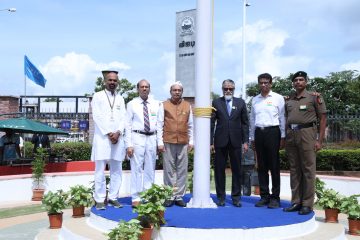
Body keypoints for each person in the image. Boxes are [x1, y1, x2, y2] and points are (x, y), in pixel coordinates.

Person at [283, 71, 327, 215]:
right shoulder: (289, 99)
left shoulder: (314, 97)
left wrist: (319, 140)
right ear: (293, 83)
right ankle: (296, 202)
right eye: (295, 80)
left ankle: (307, 204)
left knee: (308, 170)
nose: (298, 82)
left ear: (306, 82)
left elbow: (322, 119)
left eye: (301, 80)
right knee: (294, 170)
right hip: (291, 135)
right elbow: (285, 119)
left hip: (307, 134)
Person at [91, 70, 126, 210]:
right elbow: (97, 116)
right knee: (100, 169)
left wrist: (118, 132)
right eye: (110, 80)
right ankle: (99, 199)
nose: (112, 82)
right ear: (104, 81)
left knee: (117, 169)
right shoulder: (98, 96)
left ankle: (113, 197)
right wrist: (109, 133)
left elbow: (124, 118)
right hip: (102, 138)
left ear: (117, 82)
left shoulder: (121, 98)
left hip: (117, 139)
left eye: (115, 80)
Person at [210, 79, 249, 207]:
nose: (228, 91)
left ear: (234, 89)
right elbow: (211, 124)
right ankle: (221, 197)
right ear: (222, 89)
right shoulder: (216, 102)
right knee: (219, 170)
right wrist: (210, 142)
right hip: (220, 141)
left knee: (237, 170)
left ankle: (236, 197)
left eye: (230, 89)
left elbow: (245, 124)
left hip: (236, 141)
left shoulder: (241, 103)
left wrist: (245, 141)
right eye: (225, 88)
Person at [250, 73, 285, 209]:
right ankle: (264, 196)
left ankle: (275, 198)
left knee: (274, 166)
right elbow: (252, 119)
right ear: (258, 84)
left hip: (273, 132)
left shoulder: (278, 98)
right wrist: (252, 137)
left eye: (266, 82)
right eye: (261, 83)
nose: (263, 85)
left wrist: (283, 136)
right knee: (262, 166)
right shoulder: (254, 100)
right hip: (259, 132)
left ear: (270, 84)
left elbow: (282, 117)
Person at [157, 81, 193, 207]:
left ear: (182, 92)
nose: (177, 92)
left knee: (182, 170)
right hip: (168, 141)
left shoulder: (187, 105)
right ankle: (169, 195)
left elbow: (191, 125)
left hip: (183, 142)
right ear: (170, 92)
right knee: (169, 170)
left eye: (179, 90)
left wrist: (191, 141)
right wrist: (159, 142)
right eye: (174, 90)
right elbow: (159, 124)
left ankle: (179, 196)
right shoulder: (164, 105)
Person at [125, 79, 160, 207]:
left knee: (150, 168)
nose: (144, 89)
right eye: (142, 87)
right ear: (138, 89)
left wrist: (159, 142)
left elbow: (159, 124)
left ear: (149, 89)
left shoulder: (156, 104)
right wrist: (128, 144)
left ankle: (148, 195)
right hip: (137, 137)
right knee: (137, 168)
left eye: (146, 87)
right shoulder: (131, 104)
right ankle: (136, 197)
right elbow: (127, 125)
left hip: (152, 137)